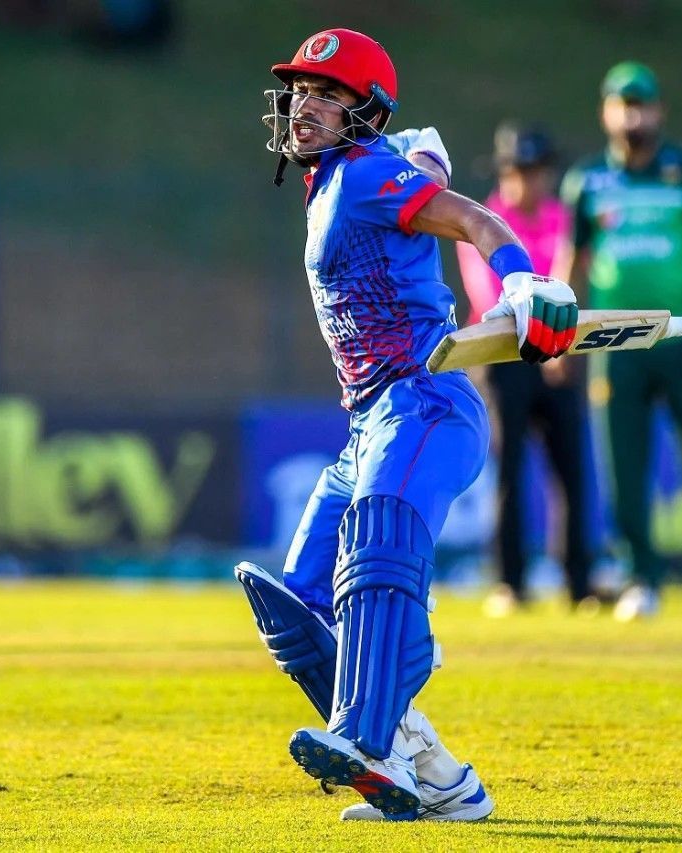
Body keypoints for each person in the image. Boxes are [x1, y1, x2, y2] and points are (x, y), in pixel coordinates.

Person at [235, 27, 579, 822]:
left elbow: (470, 220)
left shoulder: (362, 174)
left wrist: (523, 279)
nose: (305, 104)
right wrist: (419, 164)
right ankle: (434, 771)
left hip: (426, 402)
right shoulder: (336, 183)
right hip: (370, 426)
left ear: (367, 114)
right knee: (300, 604)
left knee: (381, 535)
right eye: (301, 91)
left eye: (328, 94)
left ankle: (361, 732)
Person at [556, 61, 682, 623]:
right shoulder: (589, 181)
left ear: (659, 111)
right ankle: (641, 577)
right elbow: (571, 261)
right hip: (613, 342)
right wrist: (555, 332)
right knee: (624, 466)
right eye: (622, 105)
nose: (633, 115)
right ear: (605, 113)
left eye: (641, 104)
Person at [456, 123, 595, 616]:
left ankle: (581, 583)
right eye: (518, 172)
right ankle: (510, 582)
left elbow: (571, 276)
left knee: (572, 471)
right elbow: (488, 296)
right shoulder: (481, 222)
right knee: (509, 471)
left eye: (535, 173)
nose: (527, 184)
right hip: (503, 359)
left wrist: (561, 346)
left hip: (561, 355)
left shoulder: (565, 219)